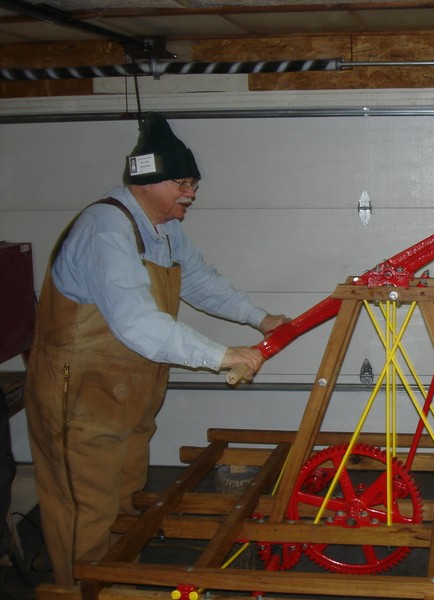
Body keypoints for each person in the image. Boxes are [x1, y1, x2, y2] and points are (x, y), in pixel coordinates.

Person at [23, 112, 289, 586]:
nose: (191, 193)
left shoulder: (163, 227)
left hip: (126, 393)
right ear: (148, 181)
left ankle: (117, 575)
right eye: (183, 183)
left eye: (193, 183)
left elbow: (201, 281)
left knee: (124, 487)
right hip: (80, 395)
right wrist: (222, 356)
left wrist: (259, 318)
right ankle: (79, 589)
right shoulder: (107, 229)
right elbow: (136, 323)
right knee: (85, 501)